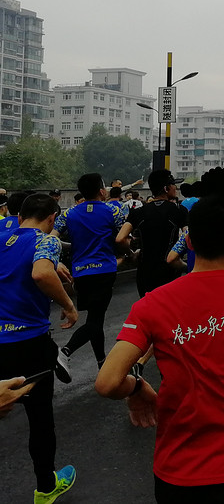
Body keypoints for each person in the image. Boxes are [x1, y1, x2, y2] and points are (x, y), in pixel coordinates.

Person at [95, 168, 224, 504]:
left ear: (190, 241)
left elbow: (107, 382)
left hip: (176, 474)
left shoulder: (153, 304)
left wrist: (137, 388)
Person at [0, 192, 79, 503]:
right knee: (40, 418)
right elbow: (41, 272)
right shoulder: (45, 240)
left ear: (18, 216)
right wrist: (69, 305)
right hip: (28, 342)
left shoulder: (4, 231)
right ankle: (46, 488)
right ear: (51, 220)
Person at [55, 173, 126, 376]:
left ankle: (101, 362)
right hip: (104, 270)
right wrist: (130, 253)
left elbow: (52, 238)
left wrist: (59, 258)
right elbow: (123, 239)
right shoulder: (113, 211)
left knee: (96, 319)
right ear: (102, 191)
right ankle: (65, 351)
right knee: (95, 321)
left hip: (81, 273)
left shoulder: (69, 214)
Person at [117, 170, 188, 298]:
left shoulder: (138, 212)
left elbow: (120, 238)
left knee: (148, 312)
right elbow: (187, 236)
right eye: (173, 185)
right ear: (166, 188)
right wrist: (180, 261)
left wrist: (132, 254)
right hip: (169, 271)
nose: (176, 188)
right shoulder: (179, 210)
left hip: (145, 272)